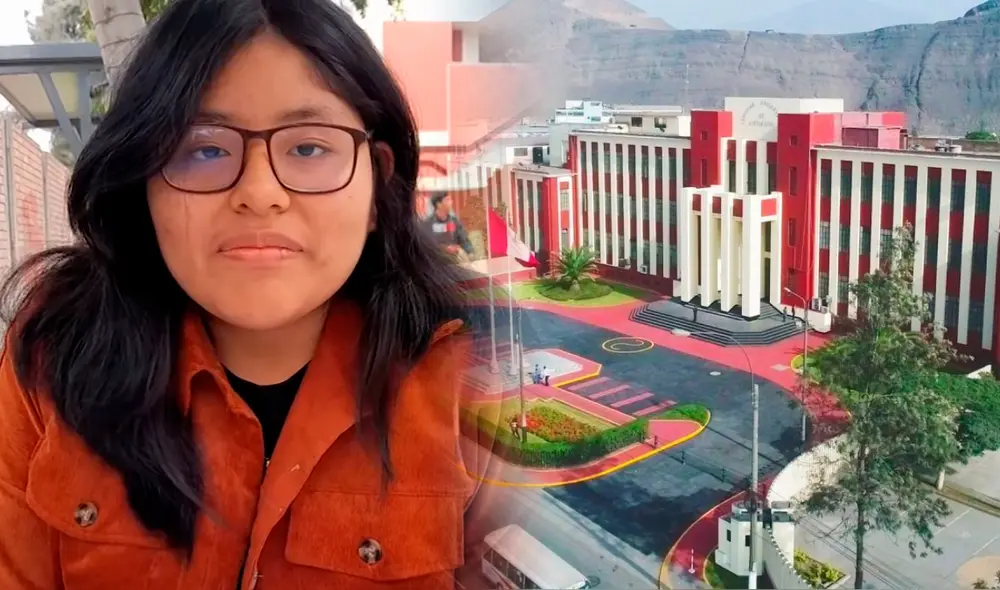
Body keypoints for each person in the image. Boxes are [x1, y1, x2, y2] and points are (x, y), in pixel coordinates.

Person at [0, 0, 512, 588]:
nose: (260, 192)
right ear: (143, 185)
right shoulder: (54, 359)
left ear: (376, 186)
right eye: (205, 149)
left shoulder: (471, 378)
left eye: (309, 148)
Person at [422, 192, 474, 263]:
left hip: (455, 258)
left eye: (450, 200)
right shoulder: (428, 223)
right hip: (437, 261)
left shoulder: (454, 221)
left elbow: (463, 238)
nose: (451, 202)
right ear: (439, 204)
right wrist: (445, 248)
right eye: (447, 200)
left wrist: (470, 252)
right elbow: (427, 245)